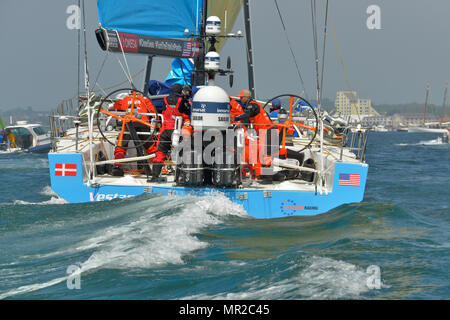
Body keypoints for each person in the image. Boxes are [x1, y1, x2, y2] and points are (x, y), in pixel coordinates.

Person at [150, 83, 192, 181]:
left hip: (164, 130)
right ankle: (180, 177)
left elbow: (164, 110)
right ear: (180, 90)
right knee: (181, 152)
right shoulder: (182, 100)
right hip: (176, 129)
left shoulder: (165, 99)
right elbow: (187, 112)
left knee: (160, 152)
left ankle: (155, 176)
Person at [111, 93, 157, 176]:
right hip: (142, 124)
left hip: (128, 123)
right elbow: (153, 112)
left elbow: (115, 108)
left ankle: (117, 165)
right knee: (150, 147)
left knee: (121, 146)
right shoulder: (144, 99)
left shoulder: (124, 100)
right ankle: (158, 166)